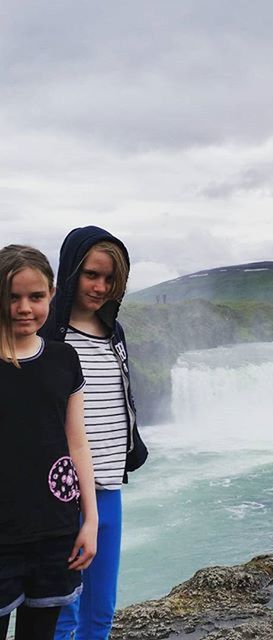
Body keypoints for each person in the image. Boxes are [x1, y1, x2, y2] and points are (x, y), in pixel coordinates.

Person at [42, 227, 148, 640]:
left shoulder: (114, 333)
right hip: (59, 494)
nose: (100, 287)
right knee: (61, 613)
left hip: (107, 487)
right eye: (91, 275)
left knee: (101, 611)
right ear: (71, 272)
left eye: (109, 279)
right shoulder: (48, 334)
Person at [0, 245, 98, 640]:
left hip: (55, 531)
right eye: (12, 296)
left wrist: (89, 520)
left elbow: (78, 444)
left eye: (36, 297)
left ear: (52, 295)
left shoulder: (64, 359)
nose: (25, 307)